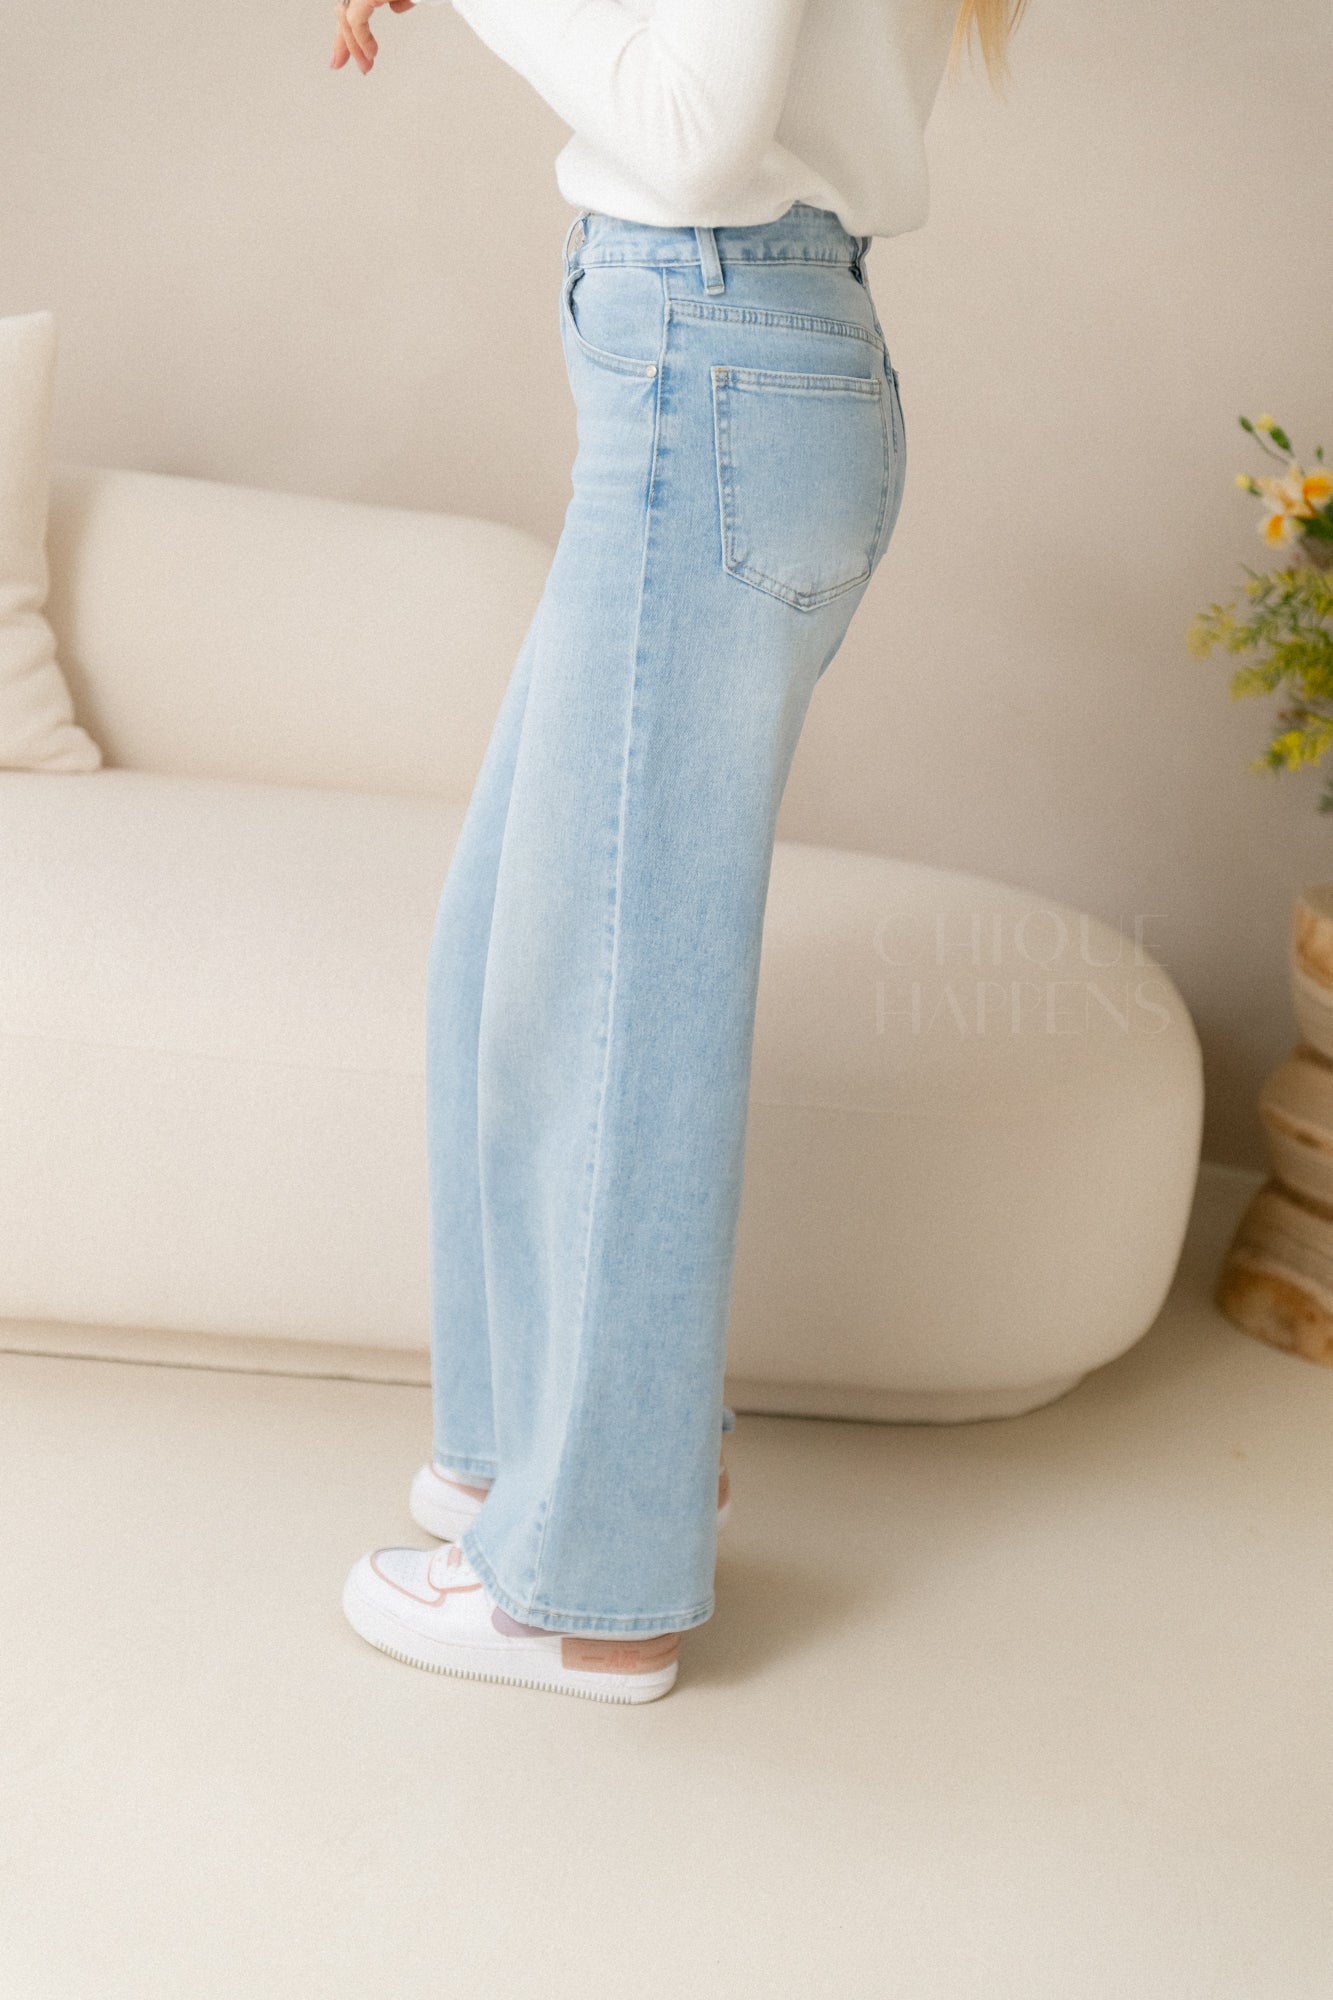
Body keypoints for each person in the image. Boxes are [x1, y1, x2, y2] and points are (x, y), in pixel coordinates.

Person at [336, 0, 1026, 1704]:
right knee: (512, 949)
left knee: (611, 1005)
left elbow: (694, 134)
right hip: (728, 359)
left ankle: (593, 1585)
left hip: (712, 354)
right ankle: (535, 1454)